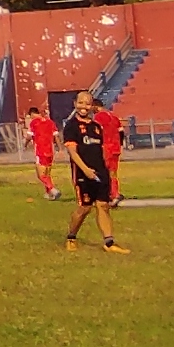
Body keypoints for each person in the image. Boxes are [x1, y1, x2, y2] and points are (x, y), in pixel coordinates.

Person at [59, 91, 126, 253]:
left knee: (103, 205)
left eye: (87, 103)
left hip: (101, 171)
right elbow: (72, 152)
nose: (84, 107)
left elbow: (101, 149)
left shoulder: (96, 127)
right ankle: (71, 237)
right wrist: (86, 170)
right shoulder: (71, 126)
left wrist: (106, 170)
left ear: (92, 106)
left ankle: (109, 243)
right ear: (75, 103)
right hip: (83, 173)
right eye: (81, 103)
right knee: (84, 208)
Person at [26, 105, 59, 200]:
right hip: (50, 151)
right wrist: (60, 149)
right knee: (47, 174)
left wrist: (25, 144)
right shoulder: (50, 122)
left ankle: (53, 190)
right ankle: (49, 194)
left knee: (40, 175)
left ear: (32, 114)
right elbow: (56, 136)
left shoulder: (34, 123)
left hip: (40, 151)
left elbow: (29, 136)